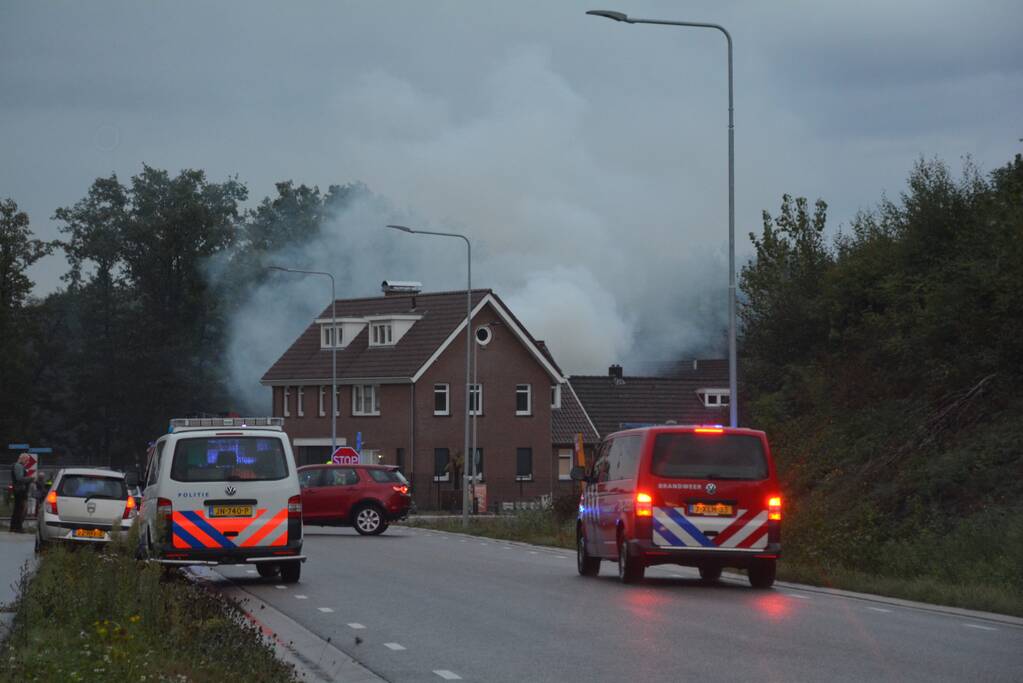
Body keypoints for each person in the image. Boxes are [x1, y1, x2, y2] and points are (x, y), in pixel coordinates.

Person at [9, 454, 32, 533]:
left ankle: (14, 527)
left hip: (19, 490)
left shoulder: (18, 466)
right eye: (27, 460)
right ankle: (17, 527)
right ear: (22, 459)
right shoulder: (18, 466)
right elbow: (19, 478)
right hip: (20, 491)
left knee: (19, 509)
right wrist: (30, 479)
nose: (27, 462)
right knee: (20, 509)